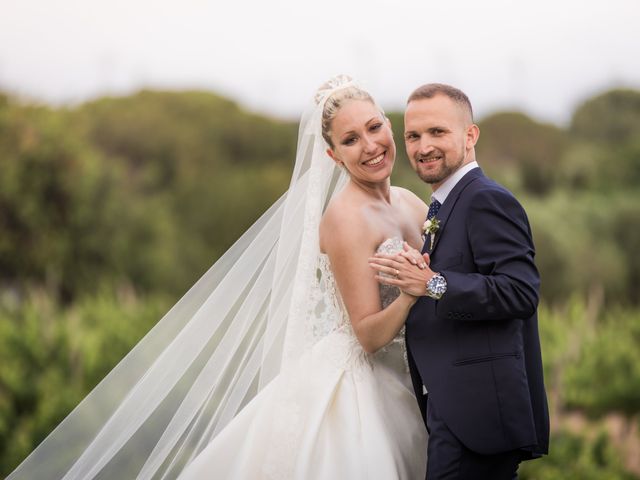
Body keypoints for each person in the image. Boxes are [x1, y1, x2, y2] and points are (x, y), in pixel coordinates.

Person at [7, 76, 428, 480]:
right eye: (351, 139)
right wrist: (411, 295)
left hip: (413, 373)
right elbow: (369, 337)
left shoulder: (410, 203)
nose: (370, 145)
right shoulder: (345, 220)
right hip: (362, 392)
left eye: (374, 128)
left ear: (388, 125)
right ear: (333, 155)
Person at [369, 83, 550, 479]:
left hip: (478, 415)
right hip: (452, 409)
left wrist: (432, 284)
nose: (423, 146)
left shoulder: (485, 199)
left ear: (470, 135)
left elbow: (521, 292)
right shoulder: (444, 204)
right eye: (413, 136)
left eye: (437, 132)